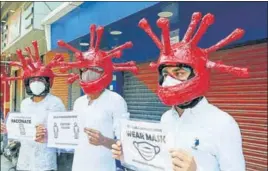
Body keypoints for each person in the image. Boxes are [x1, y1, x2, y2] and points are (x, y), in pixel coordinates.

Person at [111, 12, 249, 171]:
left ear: (199, 73)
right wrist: (129, 154)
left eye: (179, 73)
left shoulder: (223, 124)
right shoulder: (166, 118)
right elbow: (158, 162)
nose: (169, 81)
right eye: (165, 74)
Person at [57, 24, 138, 171]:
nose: (88, 77)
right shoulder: (78, 102)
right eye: (84, 71)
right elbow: (70, 135)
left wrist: (103, 141)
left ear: (105, 72)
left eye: (94, 72)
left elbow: (125, 143)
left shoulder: (116, 100)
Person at [1, 41, 66, 171]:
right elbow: (21, 131)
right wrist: (9, 129)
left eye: (40, 80)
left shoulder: (55, 103)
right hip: (24, 162)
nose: (36, 83)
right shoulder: (25, 103)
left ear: (48, 82)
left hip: (45, 163)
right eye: (33, 80)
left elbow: (63, 132)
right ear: (27, 83)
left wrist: (46, 135)